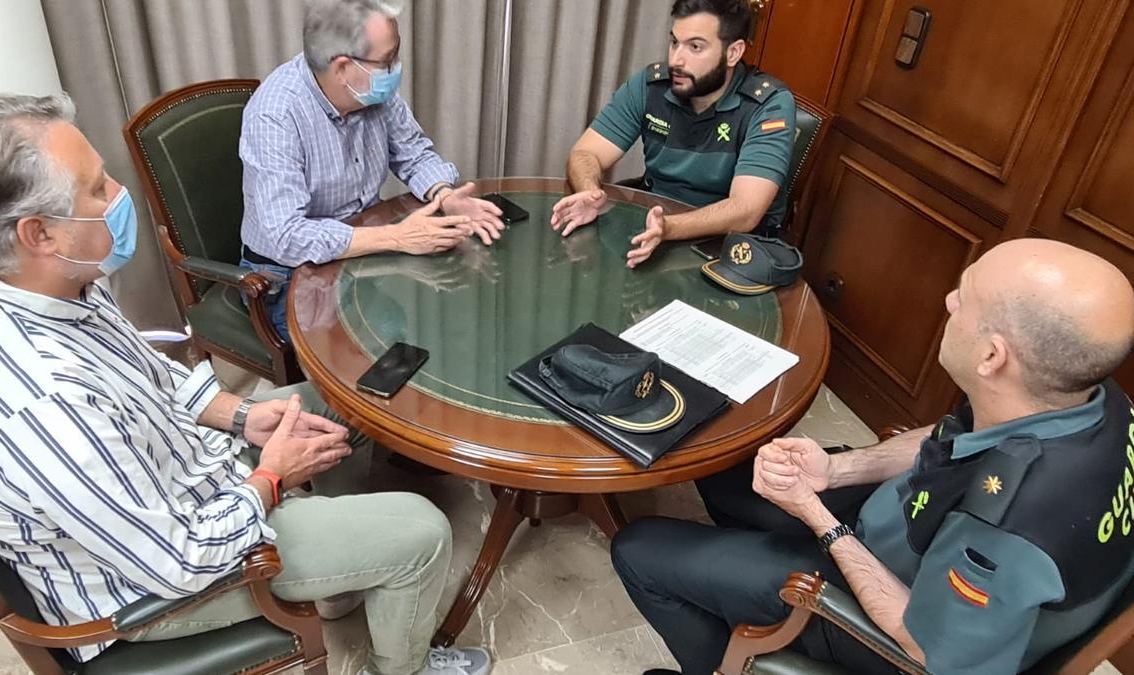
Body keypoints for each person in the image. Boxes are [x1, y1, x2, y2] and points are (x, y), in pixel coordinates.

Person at [0, 93, 490, 675]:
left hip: (175, 480)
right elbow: (176, 561)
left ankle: (340, 576)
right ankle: (406, 666)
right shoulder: (43, 407)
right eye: (98, 188)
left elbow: (144, 375)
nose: (120, 195)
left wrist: (243, 416)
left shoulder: (35, 282)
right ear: (39, 234)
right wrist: (272, 479)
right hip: (150, 588)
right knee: (423, 533)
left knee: (351, 398)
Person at [611, 238, 1134, 675]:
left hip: (900, 614)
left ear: (992, 356)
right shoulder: (1090, 399)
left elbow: (927, 648)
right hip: (905, 530)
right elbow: (951, 436)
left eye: (965, 299)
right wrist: (838, 469)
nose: (950, 301)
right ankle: (741, 574)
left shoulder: (1010, 529)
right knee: (729, 466)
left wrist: (817, 517)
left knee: (639, 551)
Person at [240, 0, 504, 343]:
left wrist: (445, 195)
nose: (396, 68)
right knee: (377, 348)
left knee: (448, 308)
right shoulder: (275, 116)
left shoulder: (370, 88)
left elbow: (413, 152)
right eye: (387, 60)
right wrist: (397, 238)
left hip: (363, 251)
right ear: (342, 67)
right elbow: (287, 237)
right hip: (287, 277)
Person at [550, 0, 796, 269]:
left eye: (695, 47)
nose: (676, 60)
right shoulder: (651, 86)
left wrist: (669, 227)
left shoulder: (767, 104)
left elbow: (745, 210)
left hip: (729, 252)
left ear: (733, 53)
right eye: (674, 43)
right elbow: (586, 153)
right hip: (653, 232)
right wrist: (589, 191)